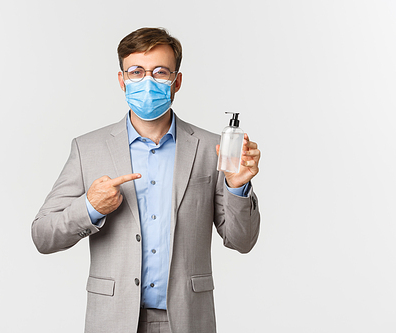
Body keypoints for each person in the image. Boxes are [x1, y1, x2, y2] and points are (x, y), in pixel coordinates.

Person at [32, 27, 261, 333]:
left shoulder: (210, 148)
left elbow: (241, 241)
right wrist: (90, 207)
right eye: (136, 72)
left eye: (160, 72)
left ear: (176, 81)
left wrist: (237, 186)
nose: (148, 81)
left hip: (188, 319)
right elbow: (43, 236)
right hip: (113, 319)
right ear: (121, 80)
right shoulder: (88, 148)